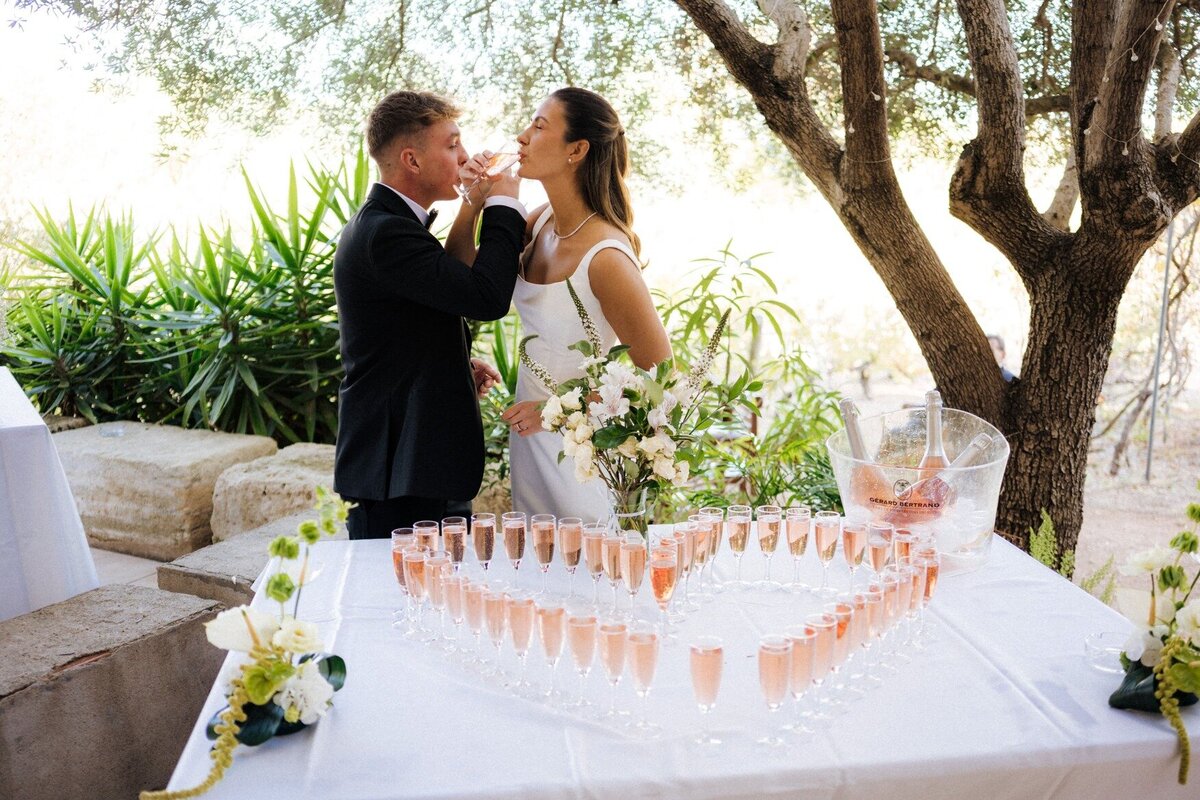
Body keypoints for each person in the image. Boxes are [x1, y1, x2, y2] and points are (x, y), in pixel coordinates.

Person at [333, 91, 527, 539]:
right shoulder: (387, 233)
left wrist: (473, 203)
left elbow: (444, 291)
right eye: (452, 144)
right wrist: (504, 203)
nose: (465, 156)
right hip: (403, 470)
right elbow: (485, 298)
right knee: (407, 602)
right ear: (412, 160)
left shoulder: (387, 222)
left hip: (416, 465)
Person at [500, 87, 671, 522]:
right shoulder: (538, 222)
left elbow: (660, 377)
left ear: (577, 149)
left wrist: (556, 412)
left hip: (581, 457)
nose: (522, 136)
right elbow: (465, 278)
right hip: (528, 443)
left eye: (539, 127)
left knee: (591, 572)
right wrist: (476, 199)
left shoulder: (606, 258)